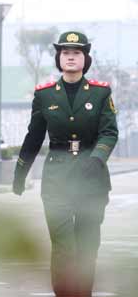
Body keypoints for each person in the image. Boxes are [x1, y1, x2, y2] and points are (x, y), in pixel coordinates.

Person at [13, 31, 118, 297]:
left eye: (76, 53)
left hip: (91, 178)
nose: (70, 57)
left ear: (85, 58)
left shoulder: (101, 93)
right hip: (57, 177)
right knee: (63, 247)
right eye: (66, 53)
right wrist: (20, 171)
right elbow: (34, 135)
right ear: (59, 58)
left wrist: (97, 158)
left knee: (86, 247)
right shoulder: (45, 95)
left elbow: (109, 131)